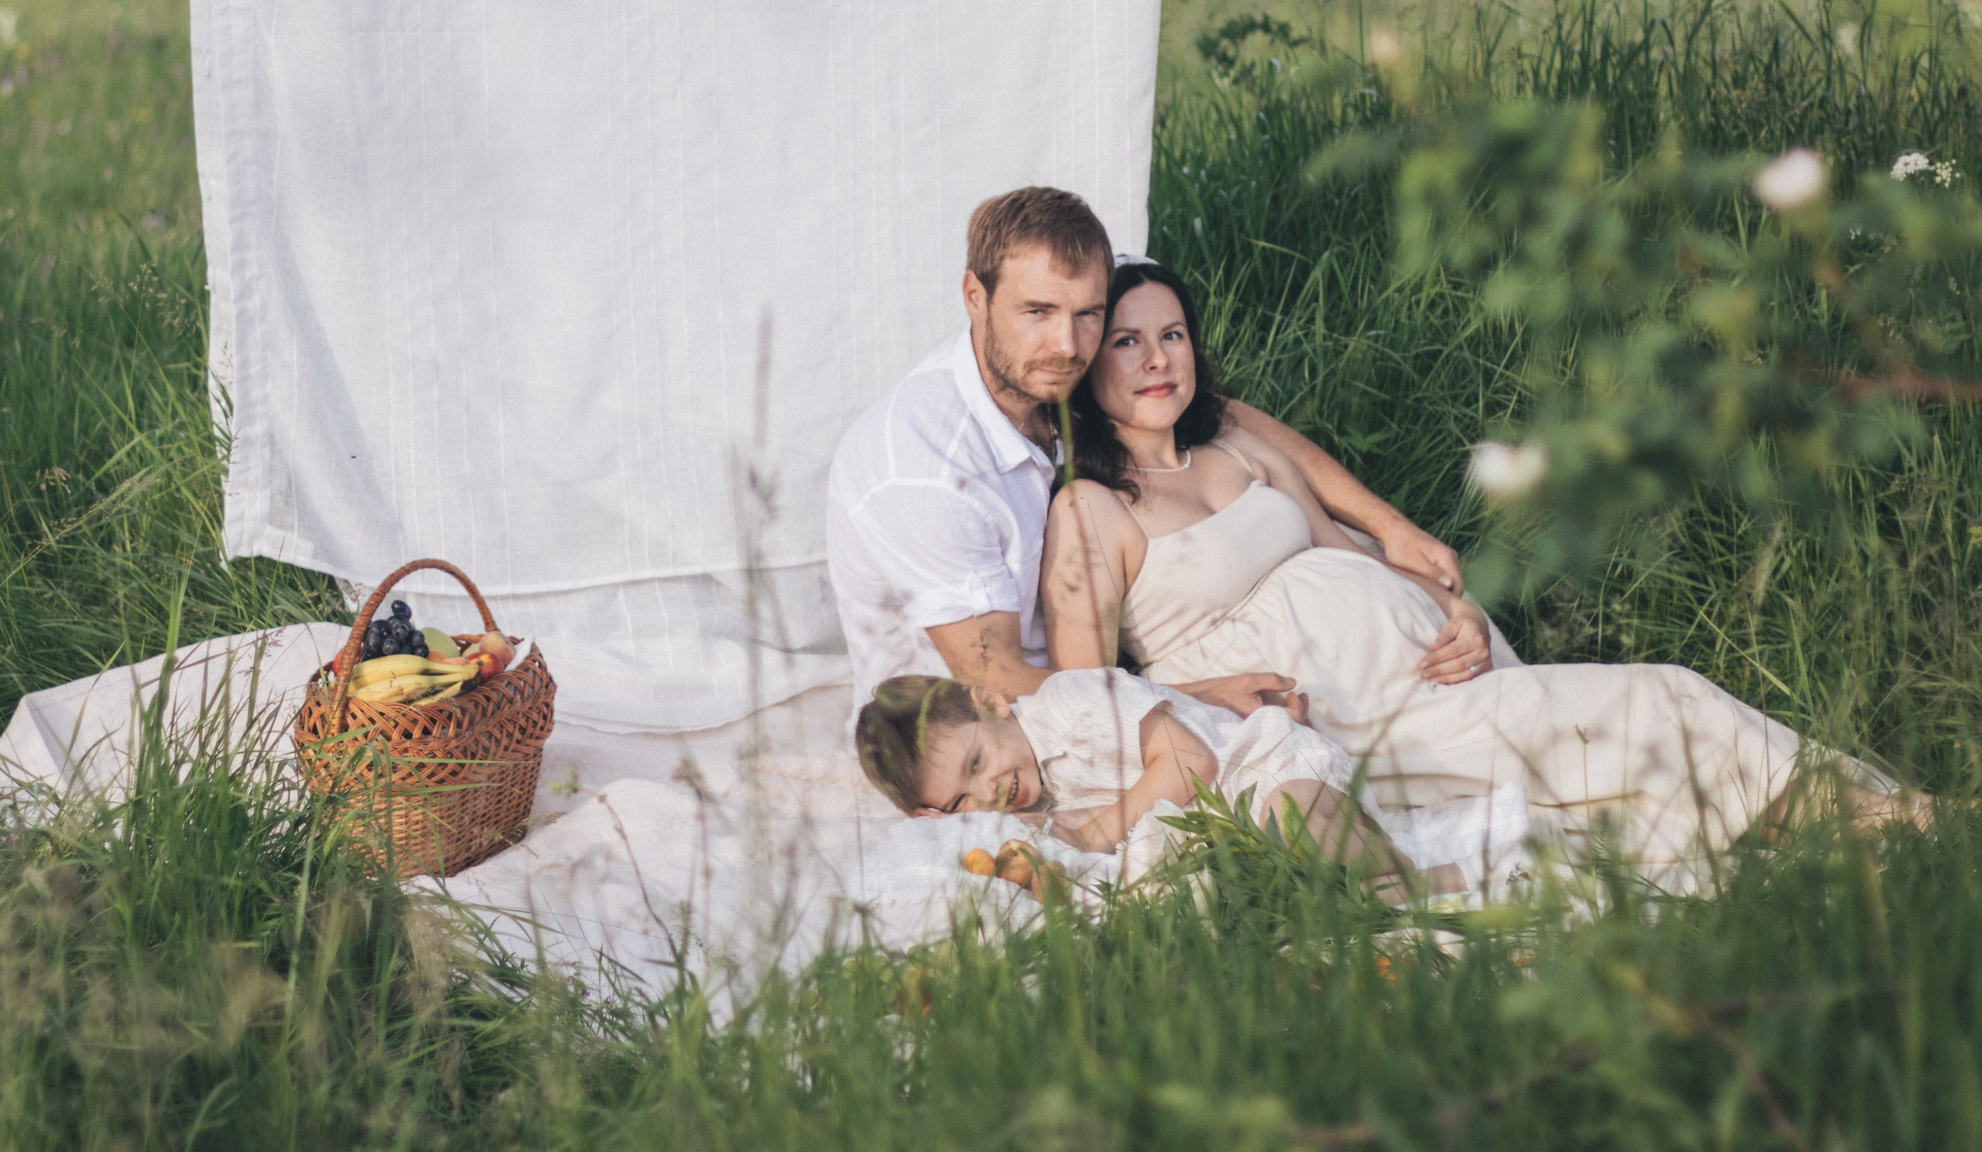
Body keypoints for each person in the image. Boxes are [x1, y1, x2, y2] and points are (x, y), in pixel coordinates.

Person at [1035, 256, 1928, 886]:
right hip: (1354, 720)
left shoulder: (1231, 439)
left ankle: (1872, 823)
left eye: (1174, 333)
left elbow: (1341, 552)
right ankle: (1904, 824)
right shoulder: (1091, 510)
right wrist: (1214, 684)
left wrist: (1450, 609)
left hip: (1438, 663)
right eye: (1126, 341)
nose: (1157, 359)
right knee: (1667, 701)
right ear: (1086, 365)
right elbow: (1088, 697)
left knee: (1633, 740)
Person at [825, 186, 1462, 718]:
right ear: (975, 296)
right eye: (1038, 312)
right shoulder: (927, 468)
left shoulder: (1044, 365)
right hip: (973, 733)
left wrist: (1388, 526)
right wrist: (1193, 698)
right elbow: (993, 682)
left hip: (1110, 674)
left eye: (1088, 316)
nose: (1069, 344)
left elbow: (1227, 415)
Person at [852, 668, 1468, 904]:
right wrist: (951, 825)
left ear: (991, 703)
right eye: (963, 799)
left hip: (1263, 770)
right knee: (1274, 901)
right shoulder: (1020, 811)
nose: (989, 791)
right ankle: (1381, 894)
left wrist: (1096, 832)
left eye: (978, 762)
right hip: (1228, 838)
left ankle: (1434, 877)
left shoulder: (1068, 703)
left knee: (1290, 820)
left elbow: (1189, 762)